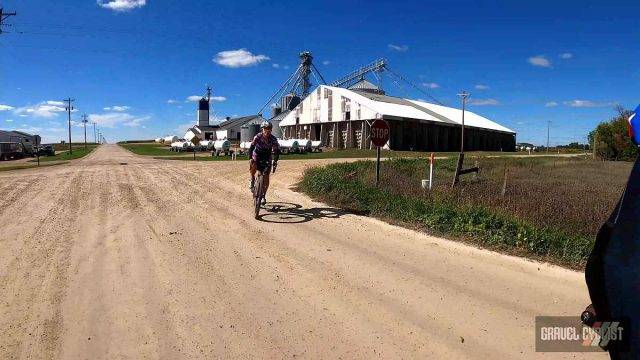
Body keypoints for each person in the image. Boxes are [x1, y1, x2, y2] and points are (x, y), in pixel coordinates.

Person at [248, 121, 279, 204]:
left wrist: (275, 161)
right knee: (253, 163)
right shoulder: (258, 136)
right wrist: (250, 158)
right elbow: (251, 147)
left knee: (266, 176)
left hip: (267, 155)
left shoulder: (273, 139)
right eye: (265, 129)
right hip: (257, 154)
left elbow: (276, 151)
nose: (267, 131)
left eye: (269, 129)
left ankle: (263, 195)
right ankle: (252, 178)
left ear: (271, 130)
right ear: (262, 129)